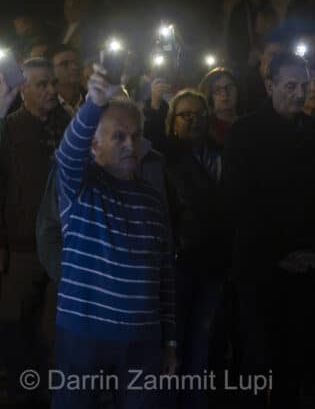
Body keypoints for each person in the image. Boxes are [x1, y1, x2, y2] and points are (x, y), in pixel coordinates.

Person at [51, 67, 177, 408]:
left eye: (136, 136)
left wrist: (170, 341)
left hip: (142, 337)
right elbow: (67, 155)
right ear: (95, 145)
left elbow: (164, 274)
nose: (130, 145)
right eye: (118, 137)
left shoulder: (152, 199)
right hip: (83, 331)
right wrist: (93, 105)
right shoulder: (80, 185)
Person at [225, 52, 315, 408]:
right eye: (290, 86)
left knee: (295, 362)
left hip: (305, 270)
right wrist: (277, 255)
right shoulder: (244, 133)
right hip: (260, 271)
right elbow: (241, 201)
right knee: (258, 361)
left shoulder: (314, 132)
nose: (299, 94)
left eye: (304, 86)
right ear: (269, 86)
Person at [0, 58, 69, 406]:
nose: (51, 90)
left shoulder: (68, 124)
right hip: (21, 249)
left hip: (61, 248)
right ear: (23, 90)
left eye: (52, 82)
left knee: (53, 332)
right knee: (16, 328)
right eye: (41, 84)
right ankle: (21, 394)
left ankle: (47, 394)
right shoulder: (9, 130)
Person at [162, 90, 228, 409]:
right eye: (185, 115)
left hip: (213, 263)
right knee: (173, 345)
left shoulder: (221, 154)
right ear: (172, 121)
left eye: (199, 114)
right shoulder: (165, 160)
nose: (193, 120)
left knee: (201, 345)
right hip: (180, 263)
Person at [226, 0, 274, 71]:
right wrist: (233, 56)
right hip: (242, 57)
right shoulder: (239, 10)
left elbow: (274, 32)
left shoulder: (269, 11)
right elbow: (232, 34)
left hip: (265, 55)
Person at [198, 67, 240, 147]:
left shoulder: (250, 124)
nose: (225, 94)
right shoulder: (204, 131)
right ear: (209, 96)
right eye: (217, 90)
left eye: (229, 87)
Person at [43, 44, 85, 116]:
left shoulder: (94, 99)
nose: (75, 67)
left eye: (76, 62)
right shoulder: (45, 107)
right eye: (64, 64)